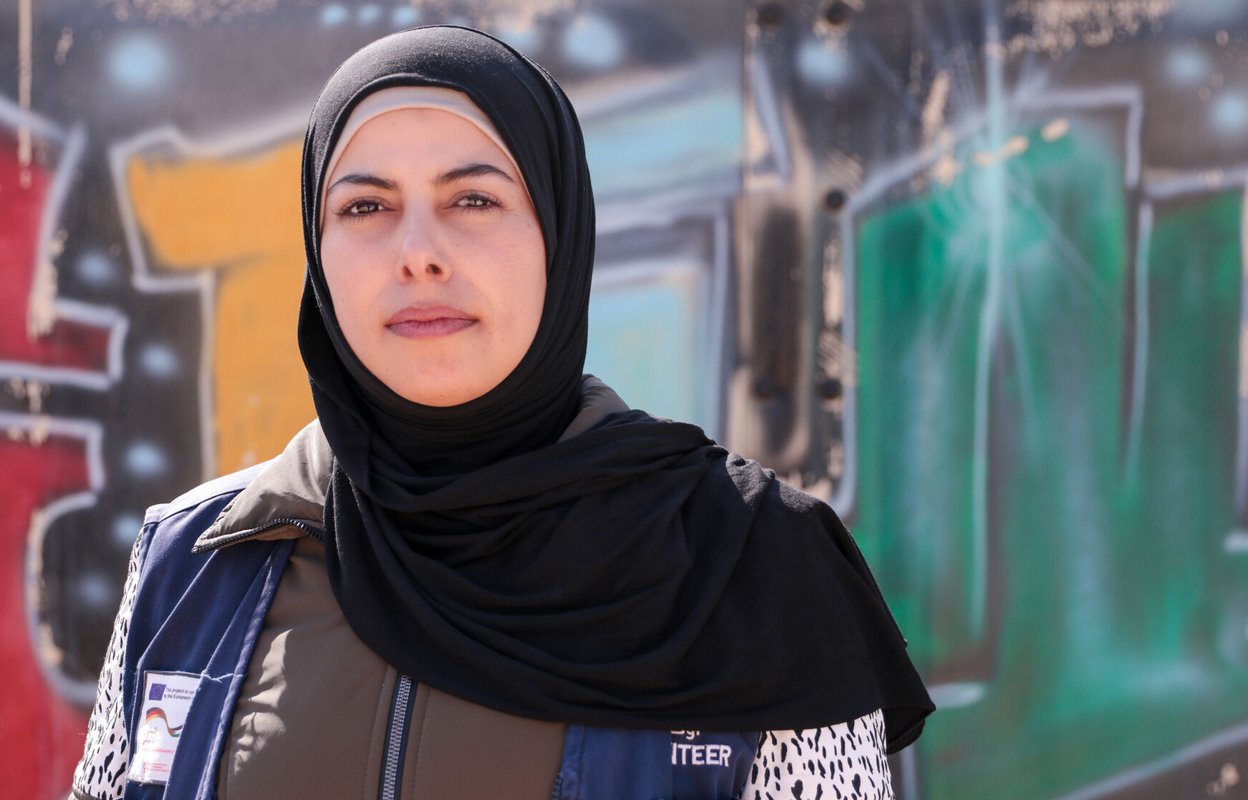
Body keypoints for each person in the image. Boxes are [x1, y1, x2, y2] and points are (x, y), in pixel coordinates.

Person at [72, 25, 933, 800]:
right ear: (318, 250)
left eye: (473, 199)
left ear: (558, 237)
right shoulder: (197, 562)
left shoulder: (751, 566)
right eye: (364, 207)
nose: (417, 255)